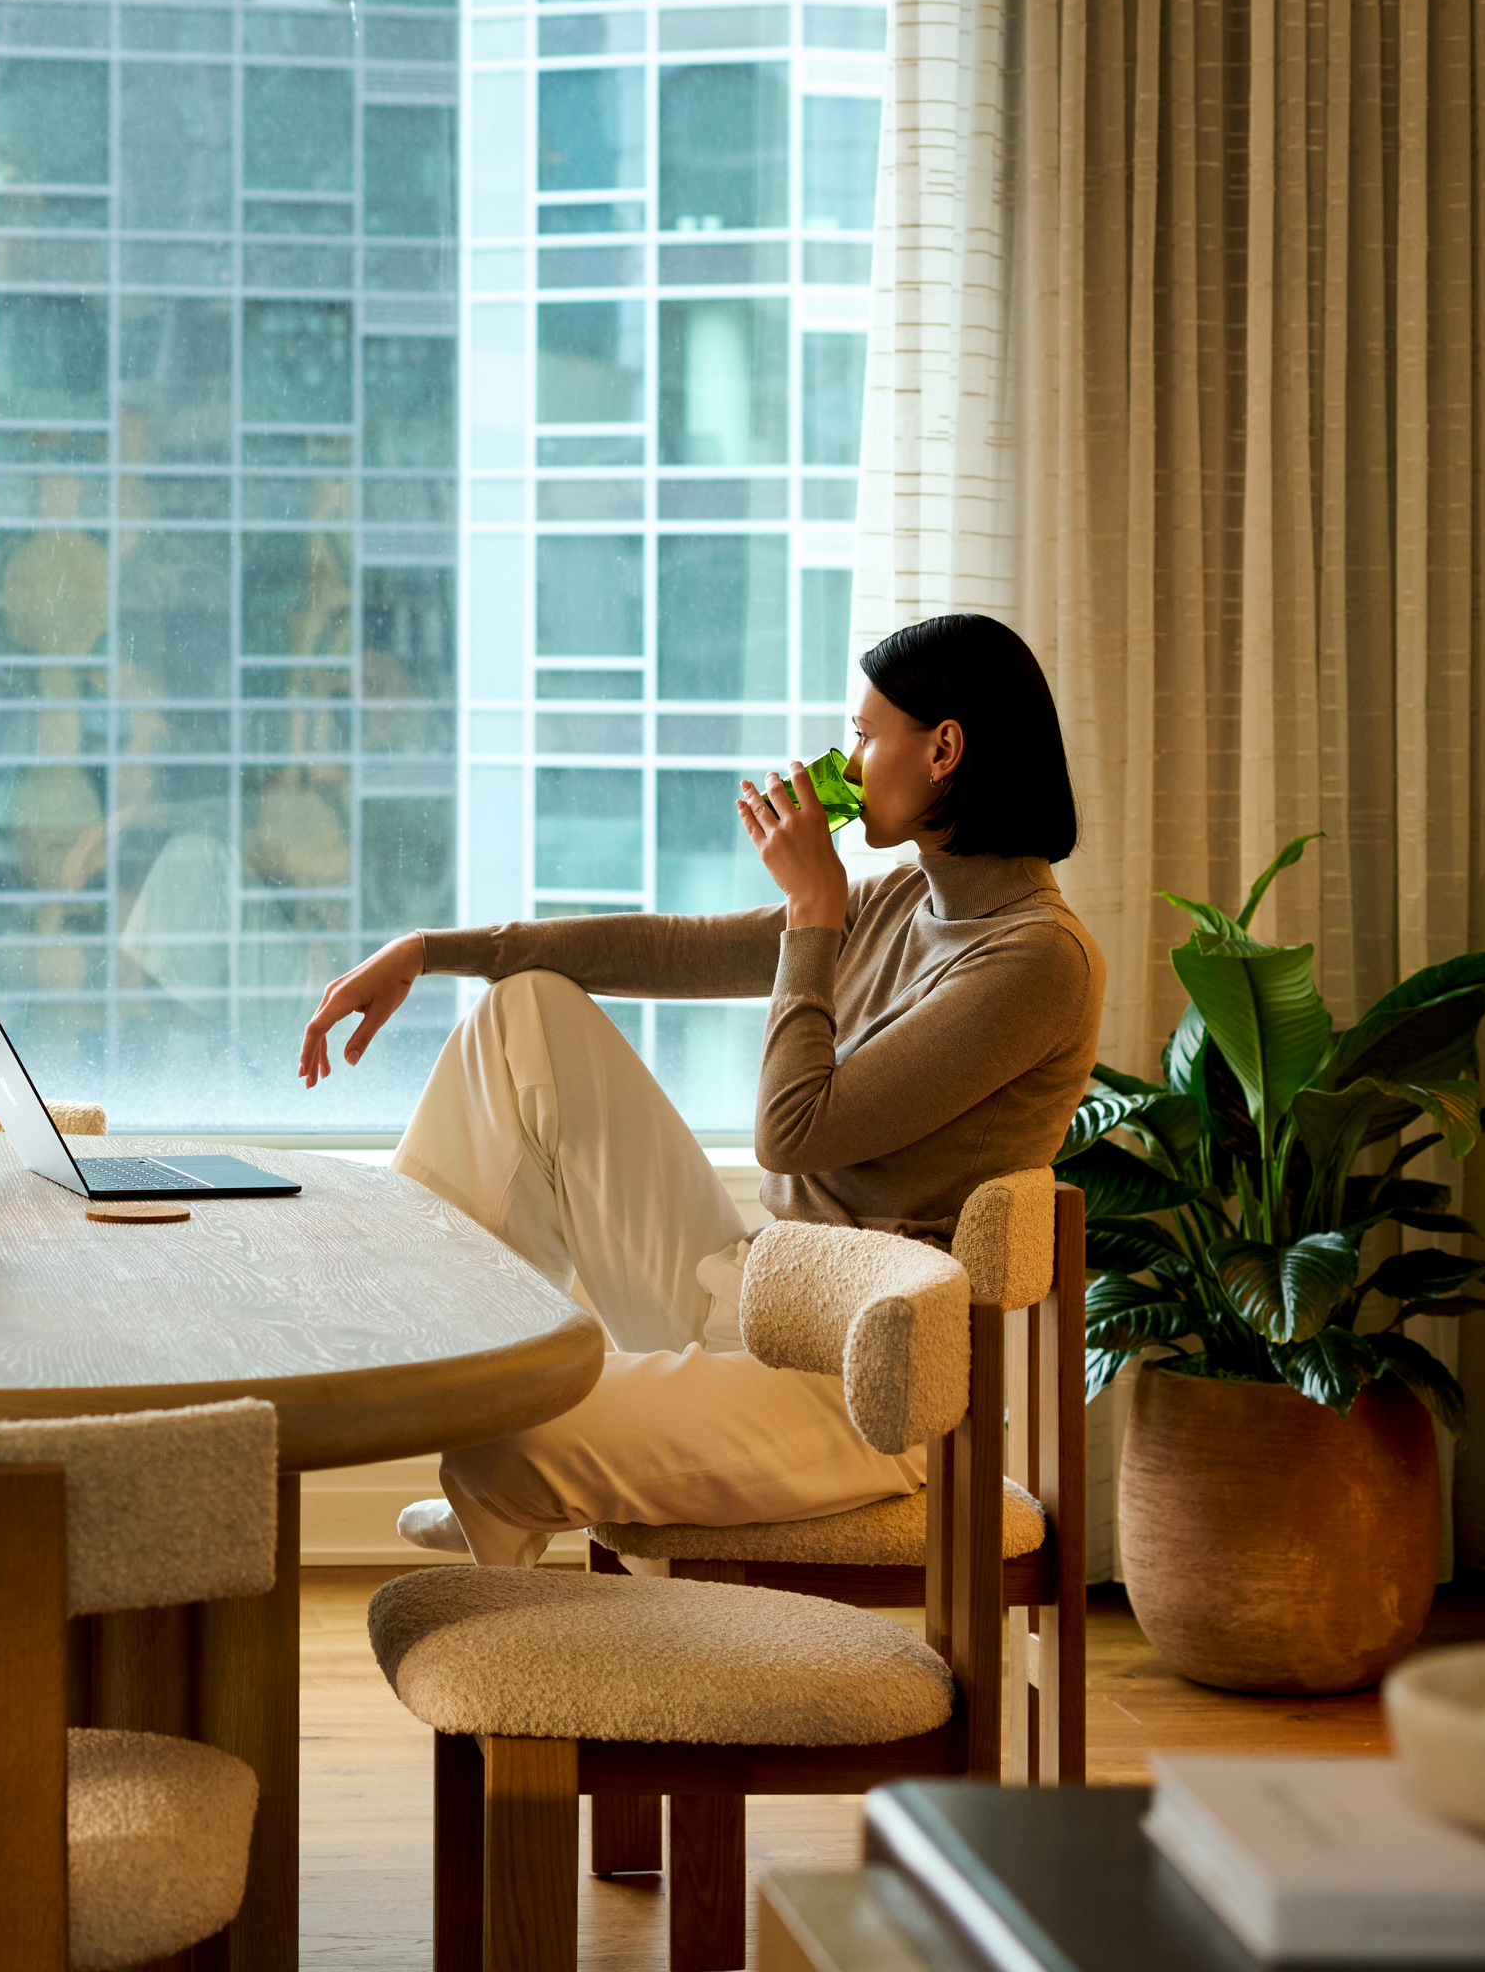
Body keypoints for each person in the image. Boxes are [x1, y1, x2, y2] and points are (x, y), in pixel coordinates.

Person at [297, 612, 1105, 1566]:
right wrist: (431, 951)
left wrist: (812, 912)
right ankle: (440, 1383)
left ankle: (498, 1493)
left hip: (863, 1382)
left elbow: (792, 1132)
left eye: (863, 734)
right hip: (756, 1289)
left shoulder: (1038, 960)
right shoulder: (899, 899)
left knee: (513, 1437)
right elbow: (675, 948)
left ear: (944, 750)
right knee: (525, 1014)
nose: (845, 760)